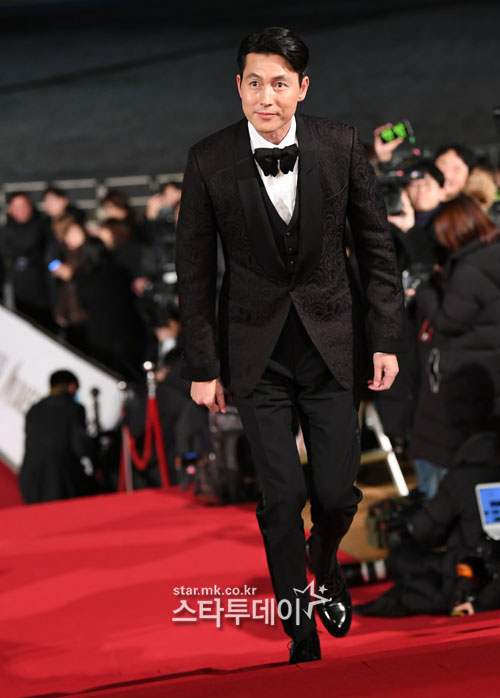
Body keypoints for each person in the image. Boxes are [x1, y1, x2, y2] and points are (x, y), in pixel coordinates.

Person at [175, 27, 405, 663]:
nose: (266, 97)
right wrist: (203, 365)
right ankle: (298, 627)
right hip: (255, 353)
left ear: (302, 88)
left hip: (334, 342)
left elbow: (378, 248)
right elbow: (194, 273)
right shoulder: (208, 159)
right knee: (281, 496)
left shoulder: (340, 145)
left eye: (279, 83)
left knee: (334, 494)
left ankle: (324, 562)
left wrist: (385, 336)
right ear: (238, 87)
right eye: (254, 83)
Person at [410, 195, 500, 497]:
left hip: (464, 375)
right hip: (489, 369)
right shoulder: (492, 253)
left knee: (452, 451)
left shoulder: (468, 269)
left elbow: (448, 321)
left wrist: (425, 291)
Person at [19, 370, 96, 503]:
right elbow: (80, 448)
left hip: (30, 479)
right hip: (61, 481)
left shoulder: (33, 409)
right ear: (72, 386)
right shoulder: (74, 408)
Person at [0, 192, 54, 330]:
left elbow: (53, 257)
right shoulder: (5, 233)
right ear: (10, 209)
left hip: (46, 291)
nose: (21, 210)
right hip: (16, 293)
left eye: (24, 205)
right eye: (16, 206)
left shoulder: (44, 228)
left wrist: (54, 267)